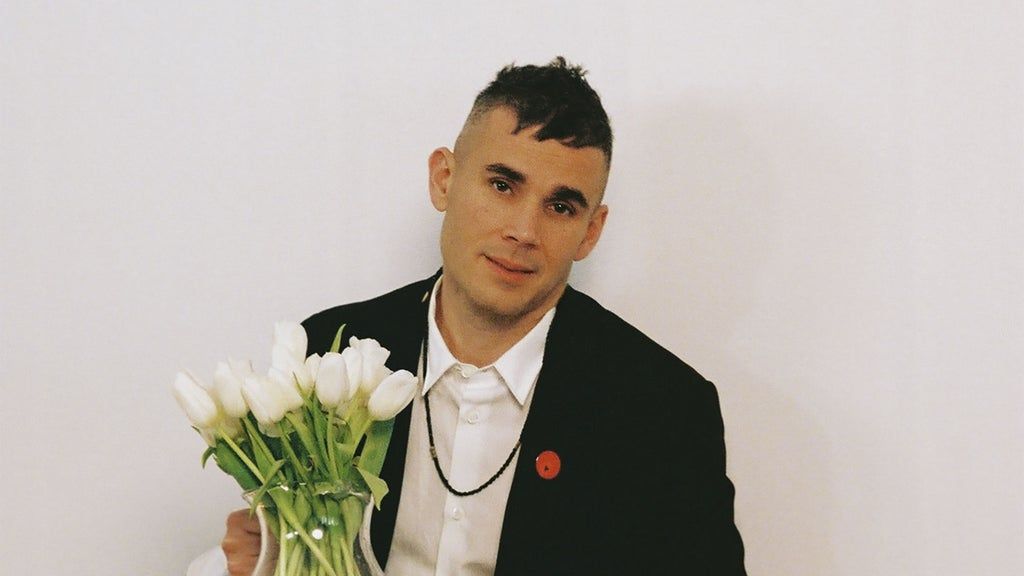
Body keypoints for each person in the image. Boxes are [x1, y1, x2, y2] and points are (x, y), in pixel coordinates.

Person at [213, 57, 746, 575]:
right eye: (502, 185)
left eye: (560, 206)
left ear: (590, 232)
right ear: (444, 179)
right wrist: (265, 559)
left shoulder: (666, 409)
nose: (524, 231)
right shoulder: (329, 348)